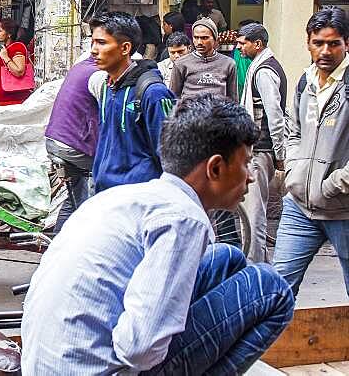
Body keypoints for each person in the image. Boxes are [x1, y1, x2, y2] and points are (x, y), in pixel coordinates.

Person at [22, 95, 294, 374]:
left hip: (45, 365)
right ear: (215, 168)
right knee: (271, 289)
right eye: (246, 163)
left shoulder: (127, 197)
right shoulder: (184, 218)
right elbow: (137, 350)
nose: (250, 176)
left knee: (227, 259)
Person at [274, 7, 349, 296]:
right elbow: (293, 131)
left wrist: (332, 184)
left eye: (334, 43)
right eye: (318, 43)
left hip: (343, 209)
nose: (325, 51)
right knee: (277, 291)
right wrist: (294, 169)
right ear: (308, 42)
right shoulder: (305, 82)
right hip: (299, 207)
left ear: (346, 44)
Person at [87, 12, 175, 193]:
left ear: (125, 48)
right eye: (93, 42)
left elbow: (170, 155)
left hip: (139, 198)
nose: (94, 50)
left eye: (102, 43)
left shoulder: (153, 93)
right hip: (106, 194)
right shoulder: (106, 86)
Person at [236, 22, 287, 264]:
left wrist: (280, 153)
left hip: (261, 149)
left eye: (242, 42)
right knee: (253, 212)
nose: (238, 46)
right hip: (259, 148)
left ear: (257, 44)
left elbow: (275, 115)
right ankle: (260, 264)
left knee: (254, 213)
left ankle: (255, 268)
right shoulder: (259, 66)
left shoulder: (265, 71)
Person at [44, 55, 98, 232]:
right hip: (71, 145)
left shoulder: (81, 66)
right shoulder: (98, 75)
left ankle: (56, 245)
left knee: (76, 195)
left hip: (57, 139)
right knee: (108, 174)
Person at [169, 17, 238, 100]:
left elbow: (233, 99)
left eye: (204, 38)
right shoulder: (181, 64)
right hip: (190, 111)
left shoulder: (228, 64)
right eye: (196, 37)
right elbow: (173, 97)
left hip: (218, 111)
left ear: (215, 39)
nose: (199, 42)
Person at [0, 18, 31, 106]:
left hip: (10, 99)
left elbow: (19, 71)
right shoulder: (6, 49)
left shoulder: (17, 47)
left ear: (9, 34)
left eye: (0, 30)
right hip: (0, 97)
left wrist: (5, 57)